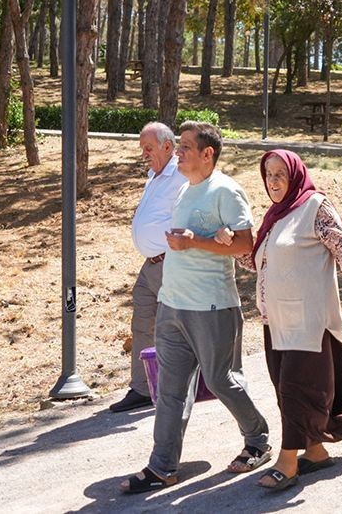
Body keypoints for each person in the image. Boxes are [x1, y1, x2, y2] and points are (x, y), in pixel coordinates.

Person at [120, 122, 271, 494]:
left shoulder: (226, 190)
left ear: (208, 154)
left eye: (186, 147)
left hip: (212, 306)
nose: (179, 153)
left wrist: (197, 242)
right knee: (170, 391)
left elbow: (244, 245)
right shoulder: (184, 190)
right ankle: (162, 467)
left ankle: (258, 439)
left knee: (221, 381)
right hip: (172, 304)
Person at [216, 149, 342, 491]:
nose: (273, 181)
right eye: (268, 174)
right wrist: (233, 245)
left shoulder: (314, 206)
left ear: (295, 174)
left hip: (309, 322)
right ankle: (315, 451)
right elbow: (258, 263)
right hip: (277, 321)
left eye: (279, 174)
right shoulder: (275, 216)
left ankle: (287, 461)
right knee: (286, 391)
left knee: (295, 389)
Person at [109, 122, 188, 413]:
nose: (144, 154)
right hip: (151, 264)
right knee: (142, 323)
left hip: (171, 263)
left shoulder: (180, 174)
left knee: (176, 327)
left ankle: (189, 385)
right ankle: (142, 388)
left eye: (148, 148)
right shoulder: (155, 175)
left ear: (168, 147)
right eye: (142, 148)